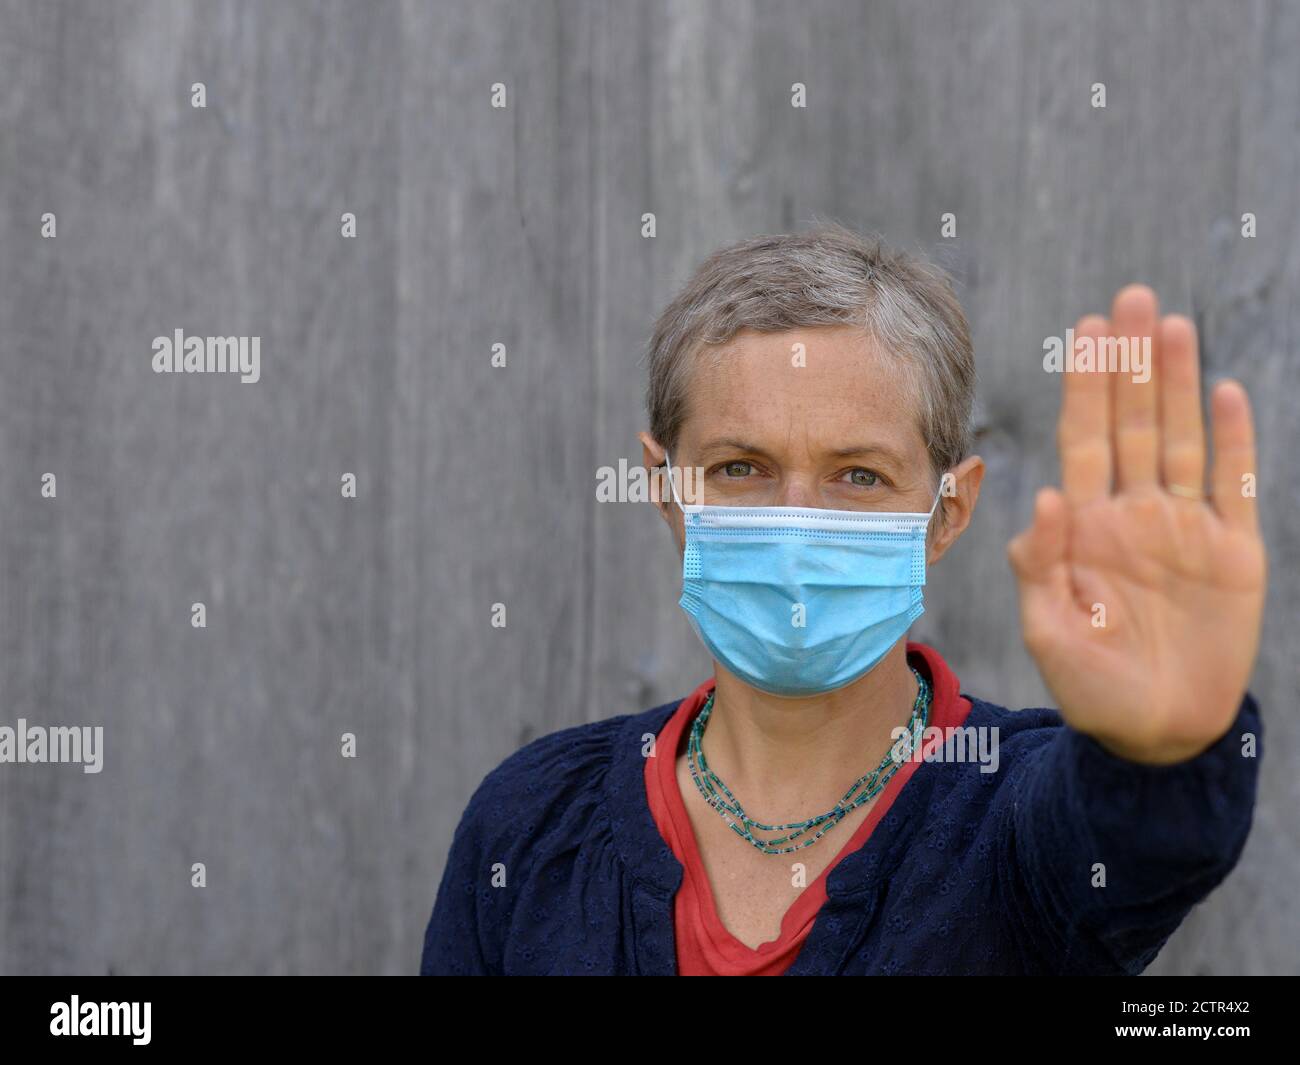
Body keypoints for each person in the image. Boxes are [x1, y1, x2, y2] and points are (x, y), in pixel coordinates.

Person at [420, 223, 1265, 975]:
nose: (796, 522)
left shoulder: (1009, 821)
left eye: (858, 475)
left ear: (950, 511)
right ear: (665, 488)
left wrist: (1164, 754)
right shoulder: (532, 825)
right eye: (739, 468)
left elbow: (1137, 843)